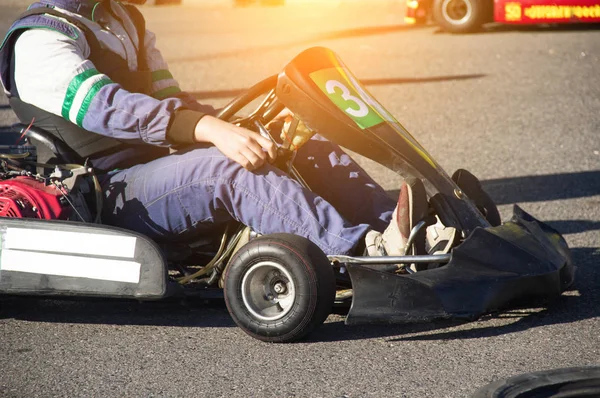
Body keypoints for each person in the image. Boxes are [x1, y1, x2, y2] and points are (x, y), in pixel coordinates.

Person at [0, 0, 419, 258]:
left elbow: (173, 99)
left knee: (302, 145)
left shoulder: (125, 20)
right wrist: (210, 130)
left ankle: (402, 233)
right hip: (108, 191)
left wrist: (244, 126)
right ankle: (362, 254)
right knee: (228, 170)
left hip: (157, 167)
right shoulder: (40, 38)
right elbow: (109, 108)